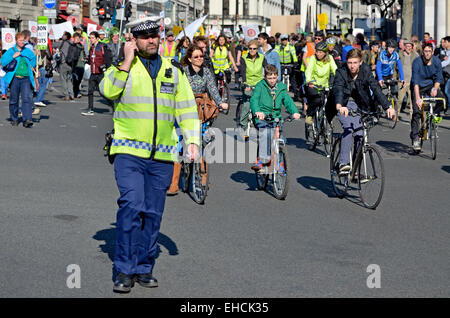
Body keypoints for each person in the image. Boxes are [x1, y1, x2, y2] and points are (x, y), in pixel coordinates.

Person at [99, 17, 200, 293]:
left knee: (153, 213)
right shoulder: (122, 68)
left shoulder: (173, 71)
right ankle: (124, 268)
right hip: (129, 152)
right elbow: (107, 91)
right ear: (134, 40)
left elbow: (187, 109)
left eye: (154, 35)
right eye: (144, 37)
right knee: (132, 206)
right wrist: (124, 63)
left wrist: (192, 140)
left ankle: (144, 267)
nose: (151, 40)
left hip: (163, 156)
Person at [167, 45, 229, 195]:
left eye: (201, 56)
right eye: (196, 57)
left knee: (201, 141)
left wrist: (220, 102)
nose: (199, 59)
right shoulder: (183, 72)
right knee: (180, 143)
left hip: (201, 109)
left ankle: (203, 176)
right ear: (189, 59)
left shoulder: (206, 72)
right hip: (183, 108)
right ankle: (174, 183)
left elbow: (213, 88)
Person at [327, 49, 395, 174]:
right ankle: (343, 163)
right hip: (343, 105)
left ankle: (355, 170)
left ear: (360, 62)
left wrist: (388, 106)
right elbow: (338, 89)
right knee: (348, 128)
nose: (352, 66)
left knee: (360, 134)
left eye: (355, 62)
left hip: (360, 105)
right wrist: (339, 105)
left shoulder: (365, 70)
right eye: (349, 63)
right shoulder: (341, 72)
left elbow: (375, 87)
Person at [250, 64, 300, 170]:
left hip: (276, 117)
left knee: (281, 139)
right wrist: (257, 111)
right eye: (269, 78)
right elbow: (254, 99)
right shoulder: (260, 85)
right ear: (265, 77)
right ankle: (262, 159)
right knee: (266, 133)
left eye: (274, 78)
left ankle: (280, 163)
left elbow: (287, 100)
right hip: (262, 116)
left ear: (277, 76)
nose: (272, 80)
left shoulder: (281, 87)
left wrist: (294, 112)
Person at [410, 42, 446, 151]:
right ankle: (416, 137)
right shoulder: (417, 62)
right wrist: (417, 98)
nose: (427, 54)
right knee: (416, 111)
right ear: (422, 52)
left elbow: (439, 78)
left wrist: (435, 88)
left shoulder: (436, 61)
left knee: (442, 101)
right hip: (418, 87)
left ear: (432, 52)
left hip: (431, 86)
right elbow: (415, 82)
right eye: (425, 51)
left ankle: (433, 115)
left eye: (429, 51)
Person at [1, 32, 37, 127]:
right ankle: (14, 118)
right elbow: (3, 61)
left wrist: (33, 62)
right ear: (16, 40)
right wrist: (13, 56)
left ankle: (27, 119)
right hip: (15, 79)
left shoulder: (27, 51)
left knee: (26, 99)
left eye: (23, 40)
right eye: (20, 40)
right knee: (14, 100)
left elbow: (33, 61)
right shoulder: (11, 51)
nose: (22, 42)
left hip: (25, 78)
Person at [239, 39, 267, 138]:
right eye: (250, 49)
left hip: (259, 84)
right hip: (248, 84)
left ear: (257, 49)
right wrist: (245, 83)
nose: (252, 50)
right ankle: (243, 126)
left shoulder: (262, 57)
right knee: (247, 105)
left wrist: (269, 81)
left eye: (254, 49)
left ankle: (261, 124)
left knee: (262, 104)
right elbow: (242, 71)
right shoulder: (244, 58)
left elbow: (267, 69)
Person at [304, 41, 337, 125]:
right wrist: (309, 81)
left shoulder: (330, 58)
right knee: (316, 100)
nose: (318, 54)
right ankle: (310, 115)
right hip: (313, 85)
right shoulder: (313, 58)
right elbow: (309, 70)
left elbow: (335, 70)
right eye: (317, 51)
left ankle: (326, 128)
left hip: (325, 86)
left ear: (325, 53)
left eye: (320, 52)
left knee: (330, 102)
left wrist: (339, 80)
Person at [81, 31, 112, 116]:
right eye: (90, 38)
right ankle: (90, 109)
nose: (91, 40)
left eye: (92, 38)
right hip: (93, 73)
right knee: (90, 91)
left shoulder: (102, 46)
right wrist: (86, 61)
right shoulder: (91, 48)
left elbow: (108, 58)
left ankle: (114, 106)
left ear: (97, 38)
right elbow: (92, 61)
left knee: (103, 92)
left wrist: (105, 67)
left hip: (100, 73)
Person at [376, 38, 405, 115]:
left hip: (389, 75)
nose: (391, 49)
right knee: (377, 92)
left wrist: (402, 79)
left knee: (395, 91)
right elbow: (378, 67)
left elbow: (400, 67)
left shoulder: (396, 55)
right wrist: (380, 79)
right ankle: (377, 106)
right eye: (390, 47)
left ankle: (393, 109)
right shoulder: (381, 54)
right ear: (386, 47)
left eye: (393, 48)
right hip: (381, 75)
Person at [398, 39, 419, 119]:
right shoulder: (400, 55)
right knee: (399, 100)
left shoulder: (415, 55)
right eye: (407, 46)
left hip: (412, 81)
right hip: (402, 81)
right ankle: (396, 114)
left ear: (412, 47)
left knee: (412, 101)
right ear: (404, 47)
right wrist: (396, 78)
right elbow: (395, 67)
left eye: (410, 46)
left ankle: (411, 117)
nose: (408, 48)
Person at [275, 34, 300, 100]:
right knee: (278, 78)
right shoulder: (278, 46)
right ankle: (277, 93)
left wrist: (295, 62)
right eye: (283, 40)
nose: (284, 41)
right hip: (280, 64)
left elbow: (294, 54)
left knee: (293, 79)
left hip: (289, 64)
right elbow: (275, 53)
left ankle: (296, 95)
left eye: (285, 39)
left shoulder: (290, 46)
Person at [53, 31, 75, 100]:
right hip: (71, 64)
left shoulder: (63, 43)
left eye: (63, 35)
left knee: (63, 79)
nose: (62, 36)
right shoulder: (72, 43)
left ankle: (66, 95)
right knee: (68, 79)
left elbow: (52, 45)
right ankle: (72, 94)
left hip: (64, 63)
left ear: (66, 36)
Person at [71, 33, 85, 99]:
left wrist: (84, 58)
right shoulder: (72, 46)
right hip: (75, 65)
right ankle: (76, 93)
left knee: (79, 80)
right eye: (76, 38)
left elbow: (84, 54)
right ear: (73, 39)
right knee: (75, 80)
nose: (78, 39)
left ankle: (76, 92)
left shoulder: (81, 46)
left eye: (79, 38)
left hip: (82, 65)